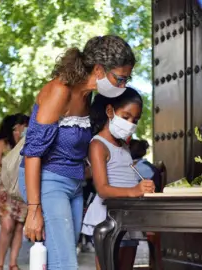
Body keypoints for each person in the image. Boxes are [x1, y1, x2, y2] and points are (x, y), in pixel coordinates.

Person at [18, 35, 137, 269]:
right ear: (99, 69)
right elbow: (32, 153)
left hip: (74, 183)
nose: (123, 86)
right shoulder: (59, 91)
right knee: (66, 263)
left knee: (59, 258)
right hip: (47, 181)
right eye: (120, 79)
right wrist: (34, 210)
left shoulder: (88, 95)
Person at [82, 87, 155, 270]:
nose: (130, 124)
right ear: (109, 111)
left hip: (128, 217)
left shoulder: (123, 145)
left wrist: (142, 187)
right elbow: (103, 189)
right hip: (107, 217)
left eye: (135, 120)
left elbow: (127, 178)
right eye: (126, 117)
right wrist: (135, 191)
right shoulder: (98, 145)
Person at [0, 113, 29, 270]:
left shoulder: (27, 144)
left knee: (19, 226)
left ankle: (13, 263)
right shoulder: (2, 144)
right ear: (15, 126)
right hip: (5, 191)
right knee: (7, 226)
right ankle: (0, 262)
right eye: (23, 125)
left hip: (22, 190)